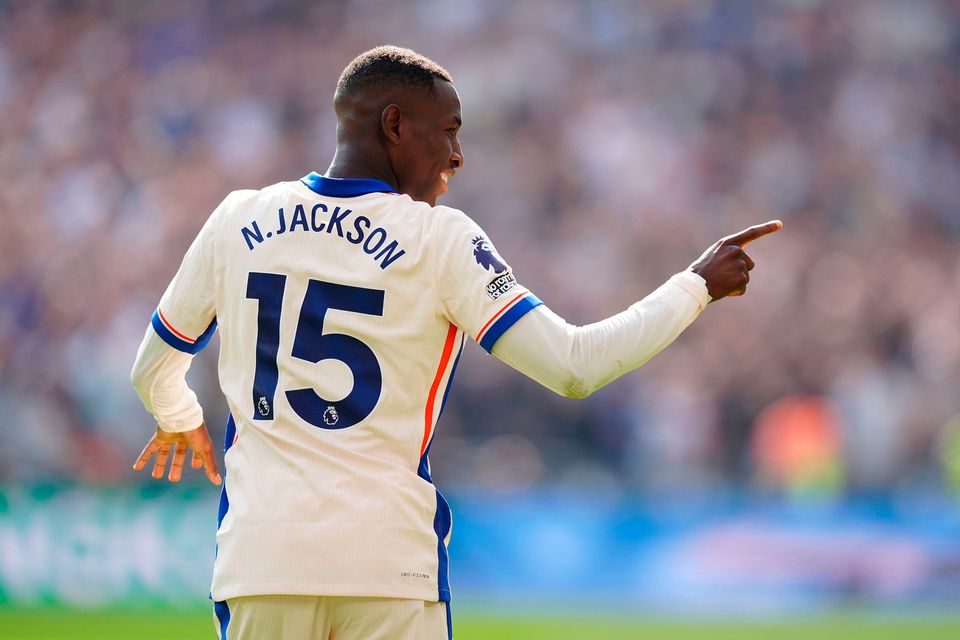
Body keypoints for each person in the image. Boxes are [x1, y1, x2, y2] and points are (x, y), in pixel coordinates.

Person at [131, 45, 781, 640]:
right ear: (393, 126)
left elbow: (153, 367)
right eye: (447, 131)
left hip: (261, 563)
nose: (457, 156)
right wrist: (695, 286)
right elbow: (575, 367)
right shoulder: (440, 240)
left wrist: (178, 414)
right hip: (385, 570)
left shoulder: (237, 218)